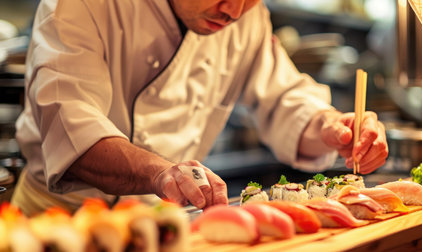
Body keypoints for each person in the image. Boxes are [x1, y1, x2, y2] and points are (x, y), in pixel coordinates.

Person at [12, 0, 388, 216]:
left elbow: (283, 96)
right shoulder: (79, 5)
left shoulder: (246, 15)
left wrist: (329, 126)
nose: (235, 10)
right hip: (57, 220)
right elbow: (72, 126)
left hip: (163, 223)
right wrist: (160, 172)